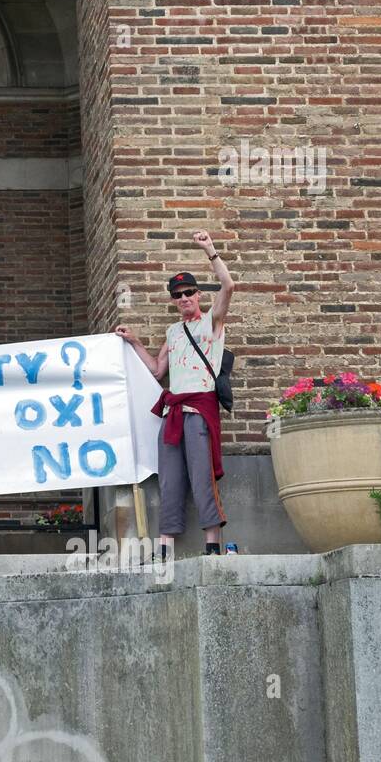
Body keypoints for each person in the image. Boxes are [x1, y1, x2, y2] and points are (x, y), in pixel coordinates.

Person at [115, 230, 235, 558]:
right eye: (178, 294)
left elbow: (228, 287)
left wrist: (210, 251)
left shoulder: (212, 322)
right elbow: (157, 371)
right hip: (173, 414)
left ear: (198, 295)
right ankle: (165, 548)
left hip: (198, 410)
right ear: (173, 300)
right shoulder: (173, 330)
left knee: (201, 476)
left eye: (189, 292)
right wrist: (135, 342)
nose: (184, 298)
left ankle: (212, 546)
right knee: (169, 481)